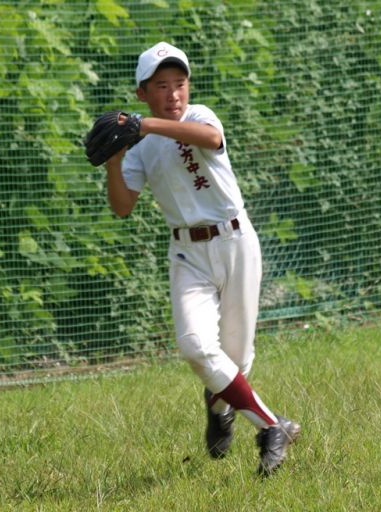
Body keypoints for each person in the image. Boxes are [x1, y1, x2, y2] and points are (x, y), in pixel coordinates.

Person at [103, 42, 300, 476]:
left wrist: (143, 125)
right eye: (161, 85)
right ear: (141, 93)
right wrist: (114, 162)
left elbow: (211, 139)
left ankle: (220, 407)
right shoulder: (140, 149)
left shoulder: (199, 116)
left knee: (235, 360)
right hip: (187, 253)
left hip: (235, 241)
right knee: (195, 346)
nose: (173, 93)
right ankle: (273, 427)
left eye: (180, 83)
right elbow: (122, 206)